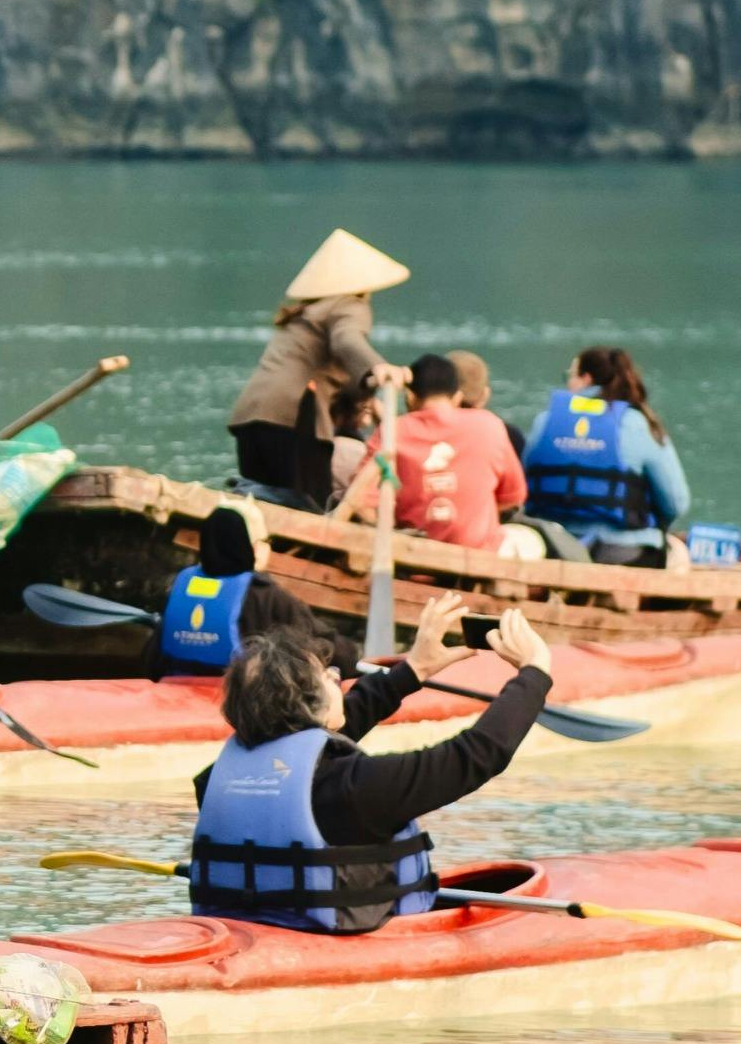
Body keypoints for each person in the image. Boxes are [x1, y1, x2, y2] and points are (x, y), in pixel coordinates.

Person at [187, 599, 552, 933]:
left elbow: (308, 735)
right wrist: (534, 673)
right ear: (310, 702)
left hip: (243, 927)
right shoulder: (357, 789)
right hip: (327, 946)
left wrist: (414, 669)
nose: (338, 680)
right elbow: (476, 755)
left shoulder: (214, 780)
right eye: (328, 676)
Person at [225, 229, 411, 510]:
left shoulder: (304, 314)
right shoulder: (349, 305)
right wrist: (379, 368)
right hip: (294, 418)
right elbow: (346, 339)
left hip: (251, 418)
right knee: (311, 507)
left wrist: (366, 390)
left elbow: (331, 373)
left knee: (260, 505)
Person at [334, 354, 532, 555]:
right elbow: (513, 497)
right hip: (478, 555)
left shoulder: (393, 431)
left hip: (412, 557)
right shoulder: (490, 425)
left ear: (410, 397)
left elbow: (360, 501)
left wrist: (388, 529)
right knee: (529, 539)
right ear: (456, 397)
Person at [522, 346, 692, 566]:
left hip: (553, 547)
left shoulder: (544, 421)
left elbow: (521, 486)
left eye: (570, 376)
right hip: (622, 552)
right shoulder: (637, 424)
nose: (567, 383)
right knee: (678, 553)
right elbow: (676, 503)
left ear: (585, 378)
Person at [156, 499, 350, 675]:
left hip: (177, 694)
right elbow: (324, 643)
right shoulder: (267, 596)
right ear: (252, 548)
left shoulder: (181, 587)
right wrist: (354, 659)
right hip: (238, 702)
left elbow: (154, 656)